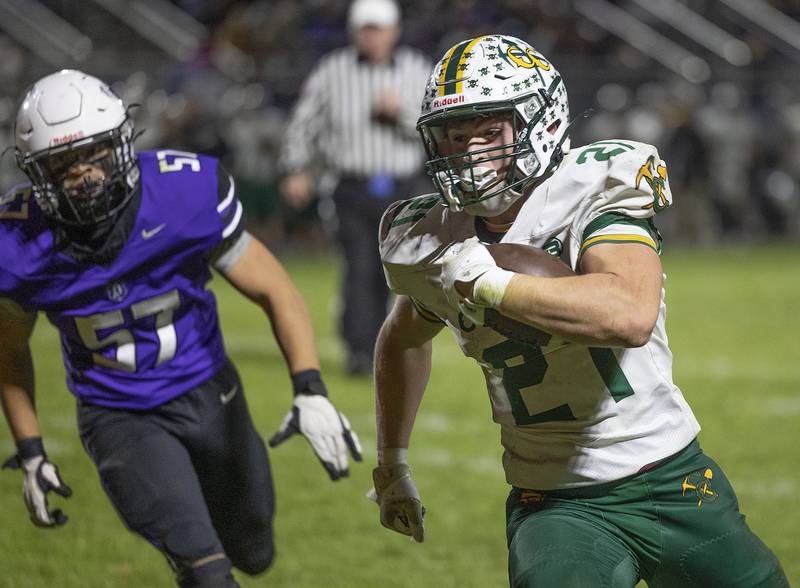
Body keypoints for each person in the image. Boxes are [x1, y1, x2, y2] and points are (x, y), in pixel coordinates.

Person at [370, 35, 788, 587]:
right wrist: (391, 462)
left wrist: (490, 283)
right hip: (556, 503)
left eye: (489, 134)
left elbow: (630, 314)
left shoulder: (590, 192)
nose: (470, 155)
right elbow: (401, 338)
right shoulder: (434, 241)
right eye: (453, 137)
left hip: (673, 478)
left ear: (538, 122)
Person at [0, 70, 362, 588]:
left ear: (122, 143)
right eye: (62, 163)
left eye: (96, 153)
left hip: (209, 391)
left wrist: (311, 389)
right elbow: (8, 349)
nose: (83, 174)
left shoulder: (184, 191)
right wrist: (31, 449)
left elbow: (274, 289)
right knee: (207, 572)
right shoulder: (15, 243)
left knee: (254, 551)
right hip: (118, 413)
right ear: (38, 173)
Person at [279, 0, 431, 375]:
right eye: (366, 29)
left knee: (394, 272)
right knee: (359, 267)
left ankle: (388, 343)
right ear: (353, 31)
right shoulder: (333, 71)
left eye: (378, 28)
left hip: (402, 188)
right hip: (350, 186)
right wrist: (297, 168)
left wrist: (402, 114)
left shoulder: (417, 69)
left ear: (394, 30)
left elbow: (437, 123)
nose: (372, 37)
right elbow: (304, 122)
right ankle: (361, 352)